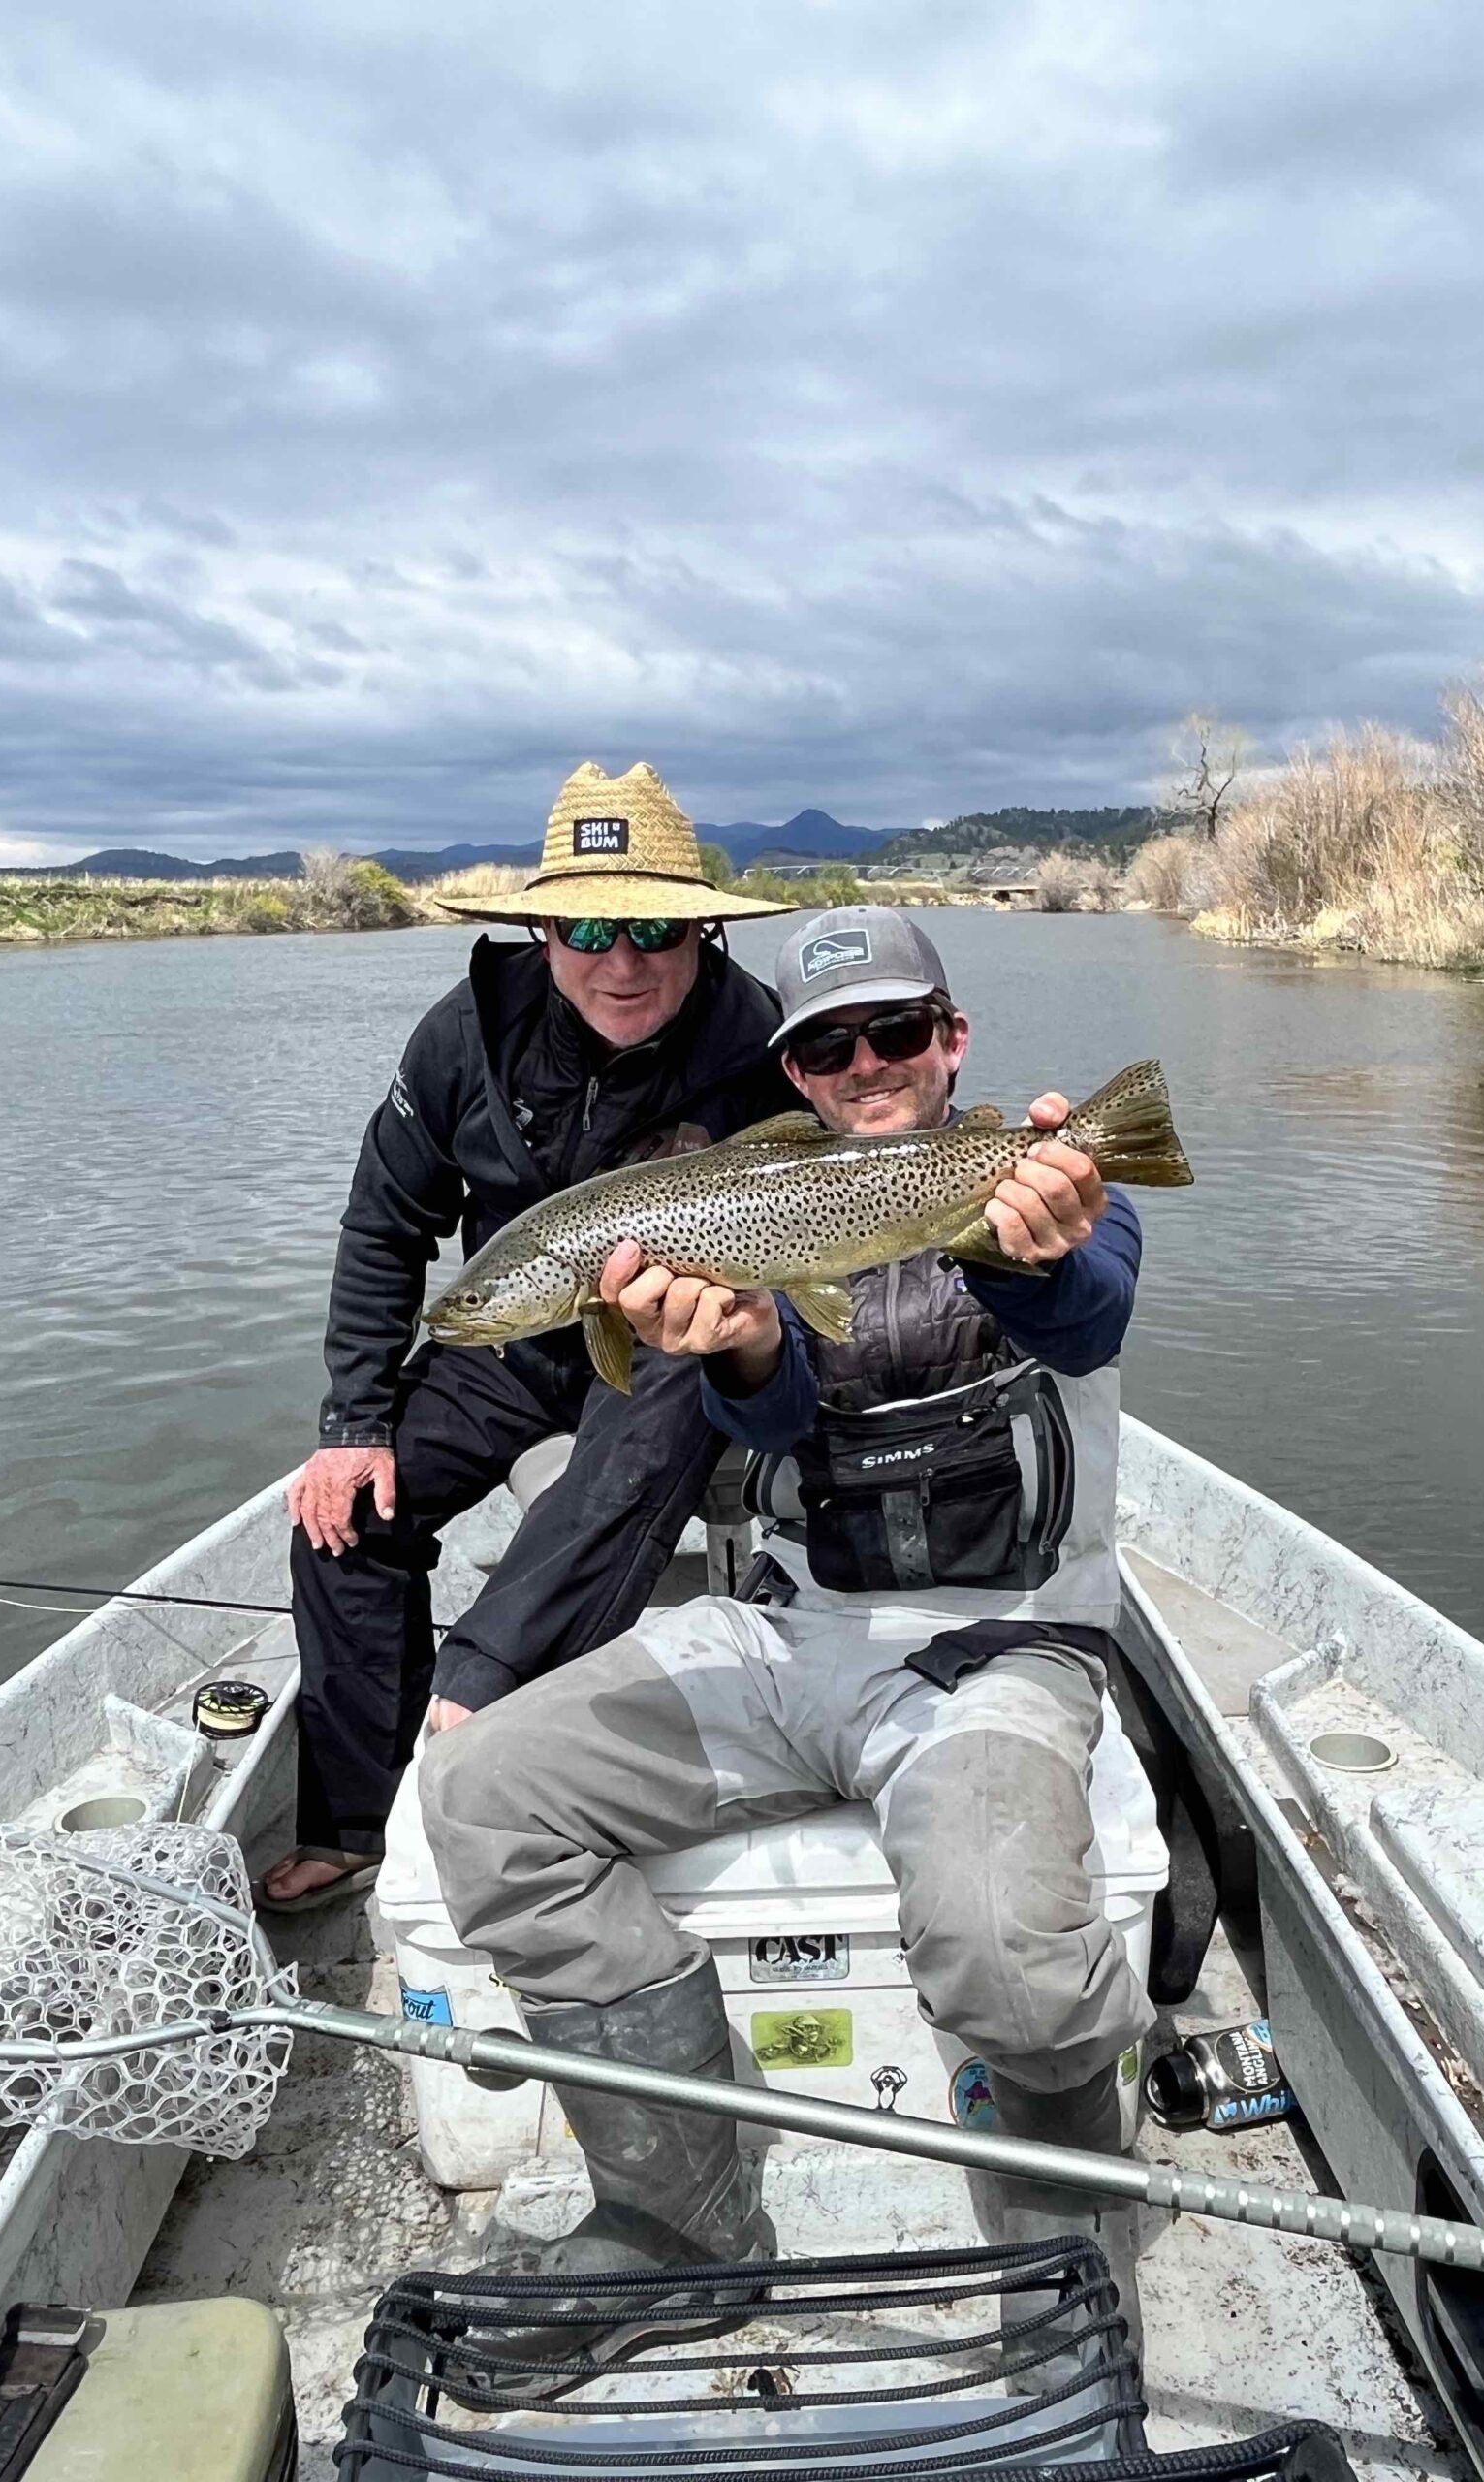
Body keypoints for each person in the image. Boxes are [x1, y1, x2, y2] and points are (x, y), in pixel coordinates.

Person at [421, 906, 1152, 2392]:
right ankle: (682, 2230)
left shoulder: (1054, 1179)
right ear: (797, 1073)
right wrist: (740, 1341)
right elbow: (759, 1423)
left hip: (997, 1649)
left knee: (1010, 1962)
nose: (866, 1062)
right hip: (787, 1625)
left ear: (954, 1041)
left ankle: (1065, 2268)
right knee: (485, 1795)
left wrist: (1035, 1242)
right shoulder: (755, 1198)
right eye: (829, 1044)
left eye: (896, 1031)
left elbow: (1089, 1315)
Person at [261, 763, 794, 1911]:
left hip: (669, 1340)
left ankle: (485, 1713)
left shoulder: (758, 1042)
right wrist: (353, 1423)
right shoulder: (464, 1037)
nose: (623, 959)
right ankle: (357, 1821)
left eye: (655, 925)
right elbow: (383, 1224)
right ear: (541, 930)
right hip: (509, 1337)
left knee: (616, 1478)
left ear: (700, 928)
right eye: (589, 924)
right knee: (342, 1518)